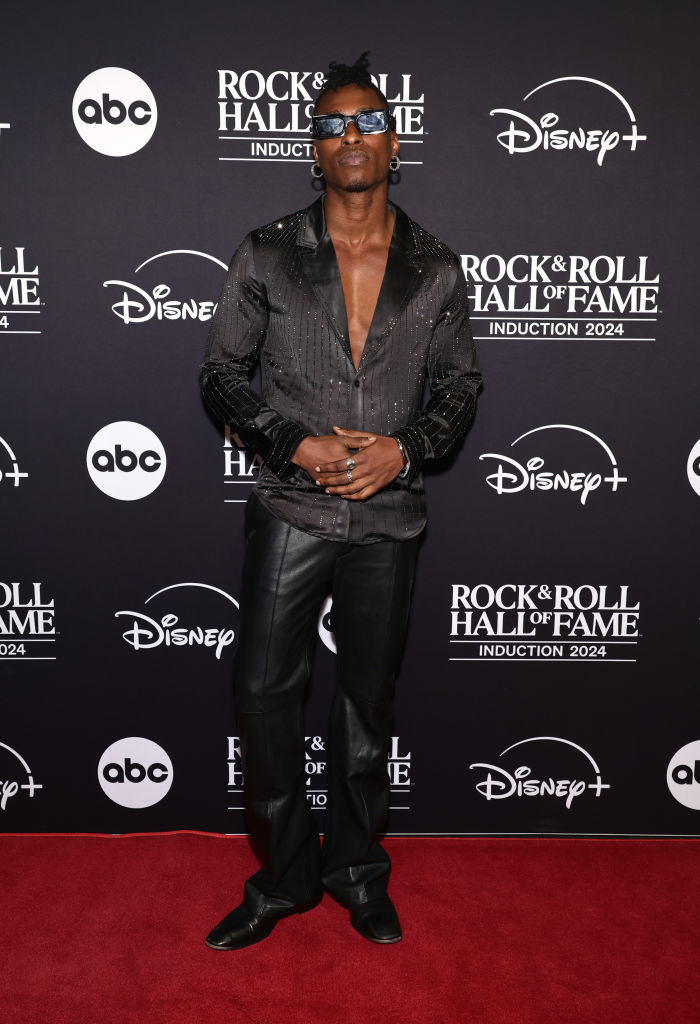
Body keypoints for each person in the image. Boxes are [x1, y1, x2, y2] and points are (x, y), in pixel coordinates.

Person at [200, 52, 481, 950]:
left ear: (392, 144)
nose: (350, 135)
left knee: (367, 704)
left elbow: (459, 389)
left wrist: (406, 449)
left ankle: (357, 872)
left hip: (390, 516)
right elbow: (220, 373)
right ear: (312, 151)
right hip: (292, 505)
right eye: (332, 125)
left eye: (366, 122)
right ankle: (284, 877)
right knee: (262, 694)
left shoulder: (436, 266)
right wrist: (293, 441)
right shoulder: (267, 252)